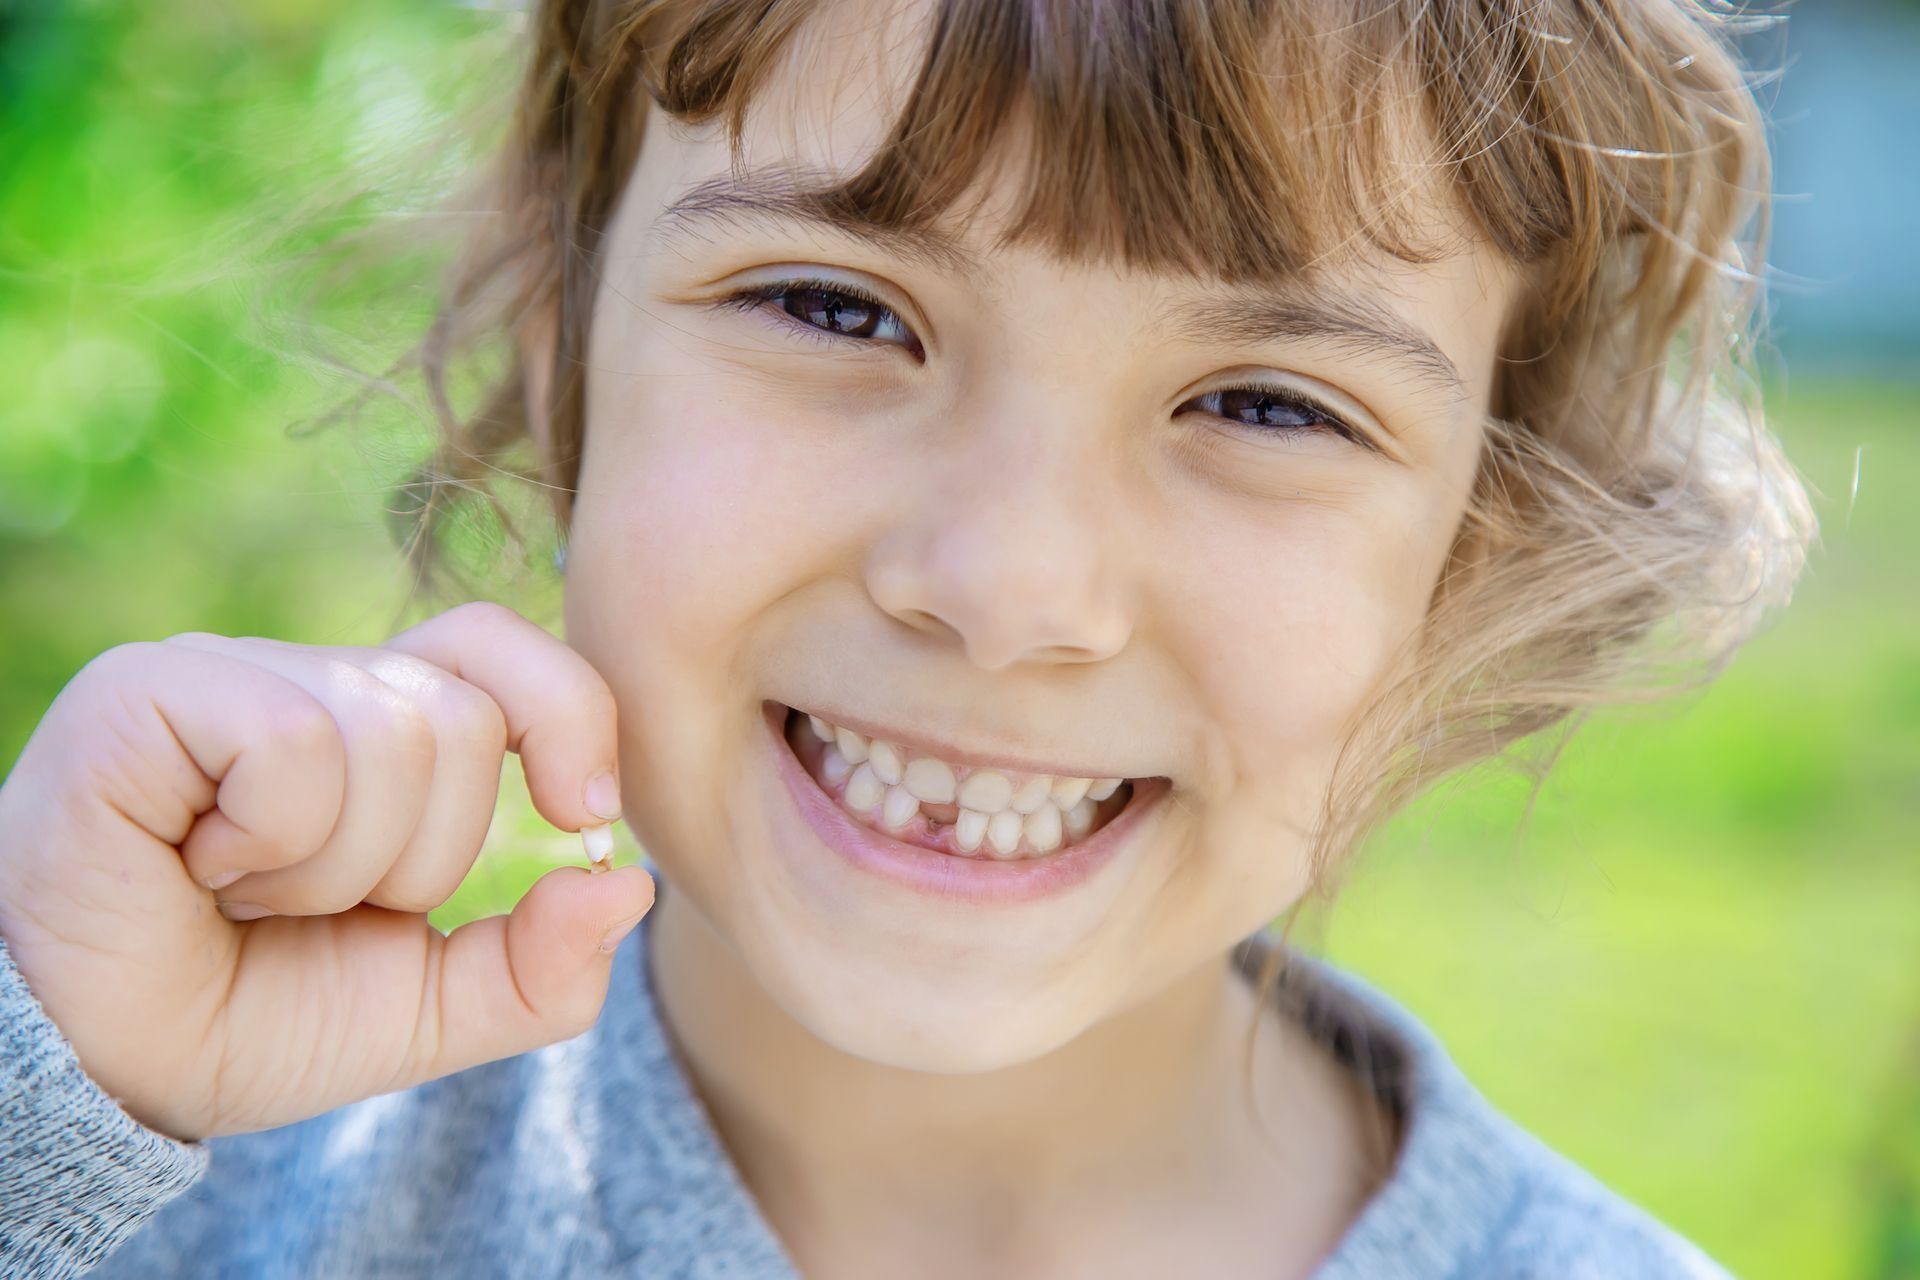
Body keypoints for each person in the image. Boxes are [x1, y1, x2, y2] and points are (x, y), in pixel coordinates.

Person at [0, 0, 1813, 1276]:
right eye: (833, 306)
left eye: (1267, 407)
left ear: (1470, 550)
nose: (1011, 586)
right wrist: (49, 1097)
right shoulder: (154, 1184)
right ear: (563, 353)